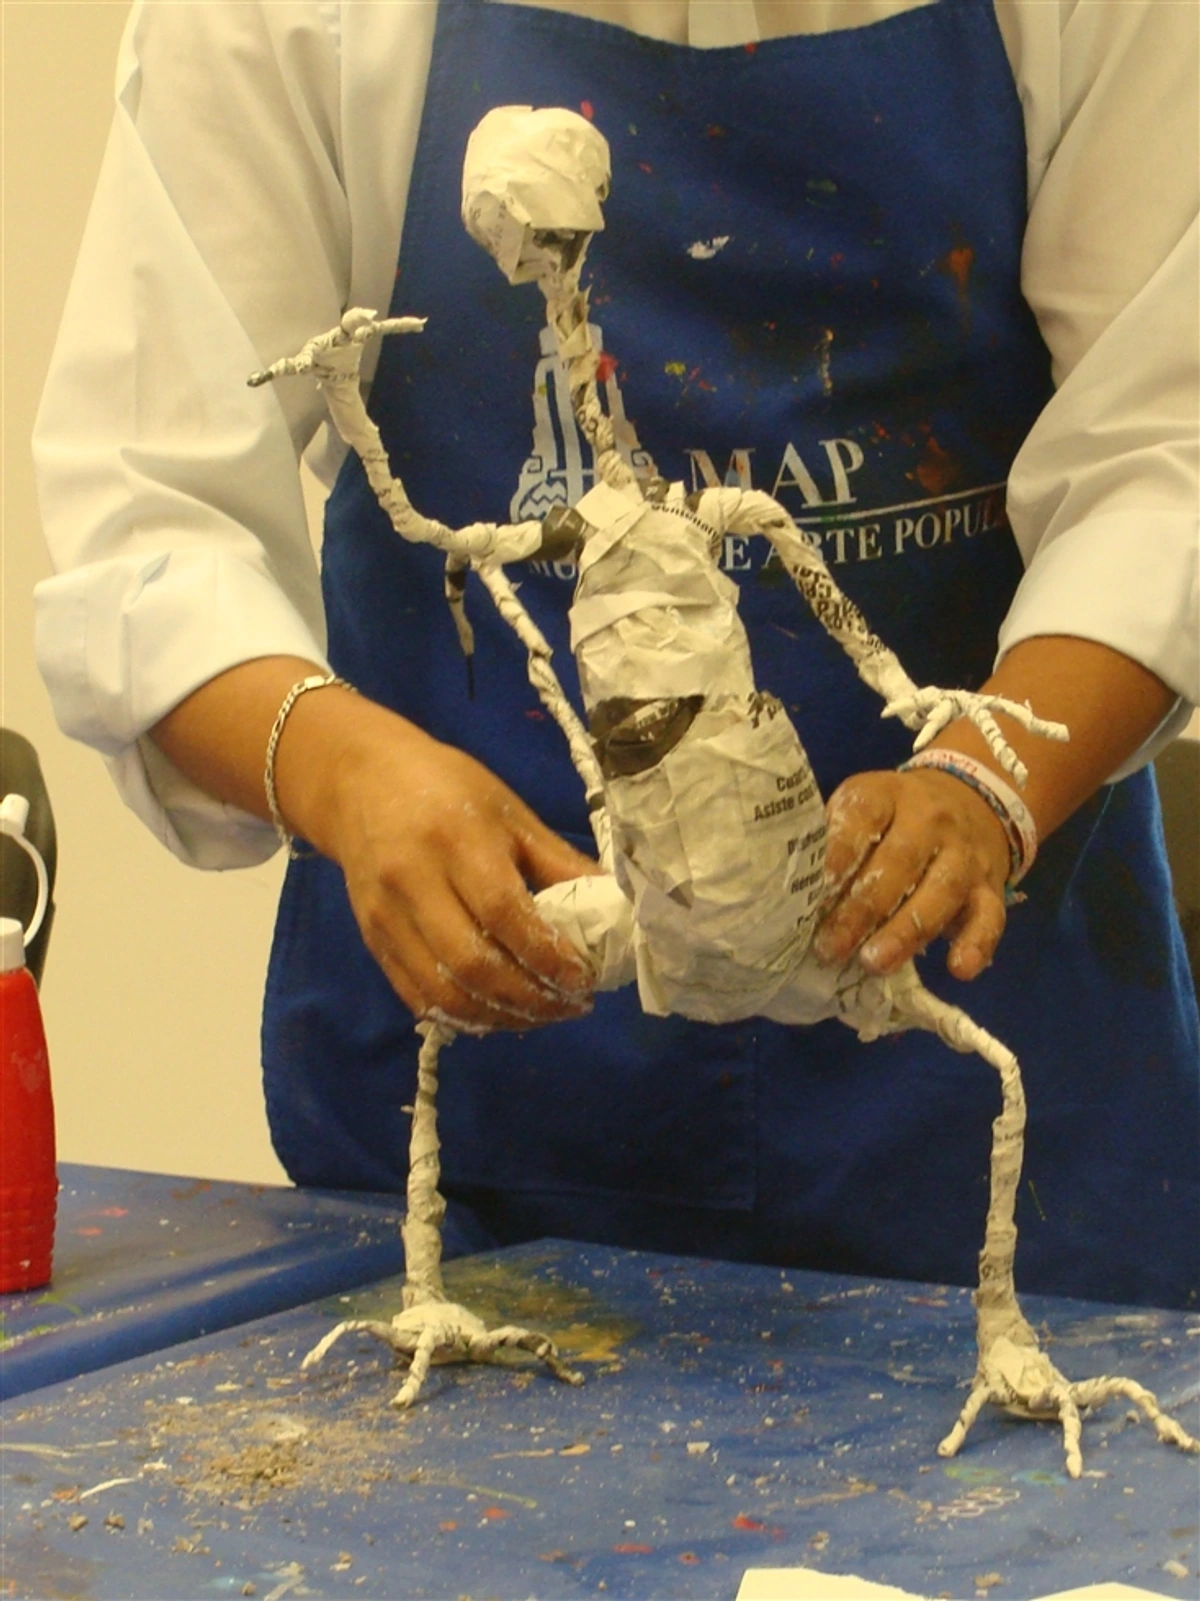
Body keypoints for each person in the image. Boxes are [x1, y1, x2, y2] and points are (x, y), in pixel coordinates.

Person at [34, 0, 1199, 1307]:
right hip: (501, 1071)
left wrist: (989, 775)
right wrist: (340, 767)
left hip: (991, 1054)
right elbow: (149, 517)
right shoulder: (290, 22)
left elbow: (1169, 462)